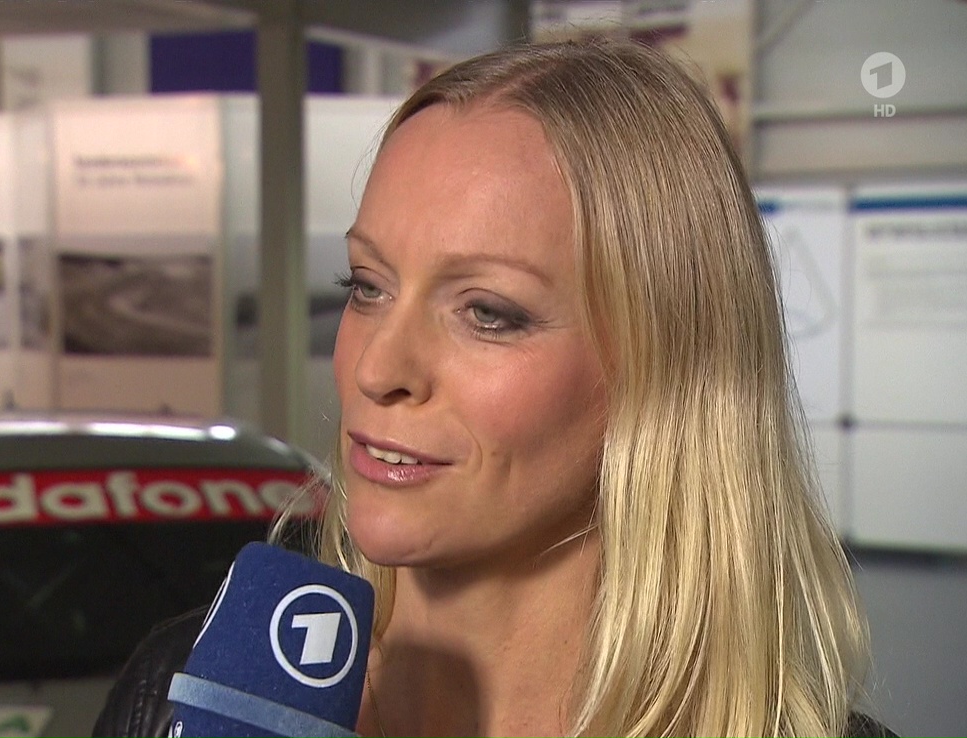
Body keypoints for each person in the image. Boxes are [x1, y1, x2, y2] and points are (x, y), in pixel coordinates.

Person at [93, 36, 896, 738]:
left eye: (487, 313)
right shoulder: (182, 694)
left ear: (668, 368)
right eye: (367, 285)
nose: (377, 370)